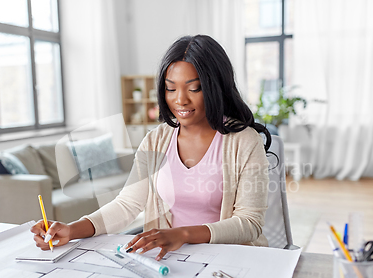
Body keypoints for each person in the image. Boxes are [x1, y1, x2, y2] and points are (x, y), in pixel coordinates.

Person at [31, 35, 272, 260]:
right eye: (171, 88)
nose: (180, 99)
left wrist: (183, 234)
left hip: (230, 260)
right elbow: (127, 204)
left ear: (215, 86)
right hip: (172, 259)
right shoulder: (155, 141)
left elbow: (249, 223)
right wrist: (72, 230)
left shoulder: (243, 141)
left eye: (194, 88)